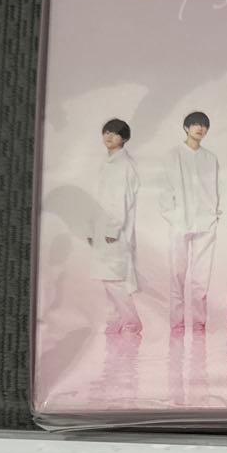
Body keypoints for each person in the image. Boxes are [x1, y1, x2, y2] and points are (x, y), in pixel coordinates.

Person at [159, 111, 220, 333]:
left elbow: (215, 189)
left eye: (204, 125)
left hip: (206, 223)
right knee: (177, 275)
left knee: (201, 278)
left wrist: (213, 215)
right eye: (195, 124)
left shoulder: (210, 158)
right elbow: (165, 190)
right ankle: (176, 324)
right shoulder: (172, 155)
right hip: (180, 223)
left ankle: (199, 324)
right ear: (186, 128)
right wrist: (174, 217)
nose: (200, 128)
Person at [86, 118, 142, 334]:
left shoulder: (123, 165)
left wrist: (111, 229)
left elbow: (120, 201)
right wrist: (92, 229)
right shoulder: (107, 162)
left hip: (115, 230)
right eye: (106, 132)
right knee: (108, 278)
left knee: (113, 278)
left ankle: (132, 323)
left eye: (115, 133)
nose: (109, 136)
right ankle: (115, 321)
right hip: (103, 228)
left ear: (124, 138)